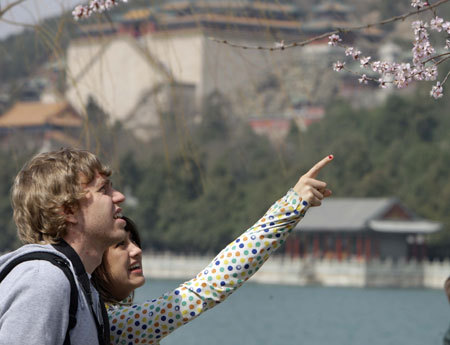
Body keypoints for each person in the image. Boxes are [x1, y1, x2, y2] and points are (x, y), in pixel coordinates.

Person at [92, 155, 334, 345]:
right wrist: (291, 206)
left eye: (134, 242)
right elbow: (206, 288)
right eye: (121, 245)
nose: (136, 251)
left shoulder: (105, 318)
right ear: (96, 260)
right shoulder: (110, 323)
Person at [0, 148, 127, 345]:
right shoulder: (45, 281)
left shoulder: (78, 281)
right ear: (68, 211)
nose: (119, 196)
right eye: (103, 189)